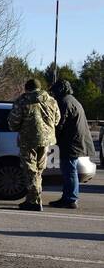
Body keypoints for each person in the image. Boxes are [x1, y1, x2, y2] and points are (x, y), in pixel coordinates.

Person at [7, 78, 60, 212]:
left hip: (28, 140)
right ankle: (32, 198)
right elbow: (57, 120)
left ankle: (35, 200)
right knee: (38, 171)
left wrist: (18, 128)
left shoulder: (22, 101)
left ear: (27, 88)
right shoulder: (51, 100)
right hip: (46, 140)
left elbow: (14, 122)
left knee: (30, 170)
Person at [49, 79, 91, 209]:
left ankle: (70, 199)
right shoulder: (72, 100)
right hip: (75, 141)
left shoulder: (64, 102)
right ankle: (68, 197)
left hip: (70, 143)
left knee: (69, 171)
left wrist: (52, 136)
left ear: (60, 90)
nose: (53, 94)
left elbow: (59, 123)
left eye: (55, 90)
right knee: (70, 171)